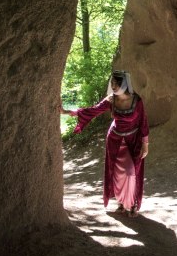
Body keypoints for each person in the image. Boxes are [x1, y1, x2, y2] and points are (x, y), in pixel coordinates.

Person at [61, 70, 149, 217]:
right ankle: (121, 203)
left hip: (132, 141)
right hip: (114, 140)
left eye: (116, 84)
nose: (113, 86)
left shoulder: (136, 100)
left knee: (131, 172)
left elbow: (143, 122)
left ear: (124, 84)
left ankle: (132, 203)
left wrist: (145, 143)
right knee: (116, 172)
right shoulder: (111, 100)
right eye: (112, 83)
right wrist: (68, 112)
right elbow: (93, 111)